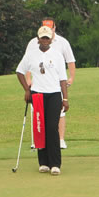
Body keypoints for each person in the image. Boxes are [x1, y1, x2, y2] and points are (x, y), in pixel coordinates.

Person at [16, 26, 69, 175]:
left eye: (47, 37)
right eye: (42, 37)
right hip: (37, 94)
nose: (45, 40)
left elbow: (63, 79)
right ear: (38, 39)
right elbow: (19, 71)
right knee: (40, 127)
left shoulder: (57, 55)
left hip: (54, 94)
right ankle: (43, 162)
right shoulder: (30, 54)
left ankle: (55, 163)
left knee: (52, 128)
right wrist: (27, 89)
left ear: (51, 39)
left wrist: (65, 98)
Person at [25, 18, 76, 149]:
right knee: (38, 115)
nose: (48, 30)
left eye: (51, 28)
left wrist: (71, 77)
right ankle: (37, 141)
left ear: (54, 28)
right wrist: (28, 80)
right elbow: (27, 64)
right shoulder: (33, 43)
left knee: (59, 113)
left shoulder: (63, 42)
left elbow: (70, 61)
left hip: (56, 83)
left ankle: (60, 140)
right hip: (38, 85)